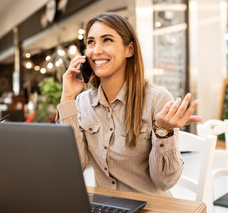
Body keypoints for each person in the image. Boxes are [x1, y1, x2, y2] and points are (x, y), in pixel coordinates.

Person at [56, 12, 202, 197]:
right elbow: (74, 167)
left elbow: (165, 181)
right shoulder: (83, 102)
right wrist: (67, 98)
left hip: (150, 211)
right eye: (91, 42)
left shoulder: (157, 99)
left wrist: (163, 131)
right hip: (107, 209)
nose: (96, 50)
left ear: (129, 49)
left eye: (107, 40)